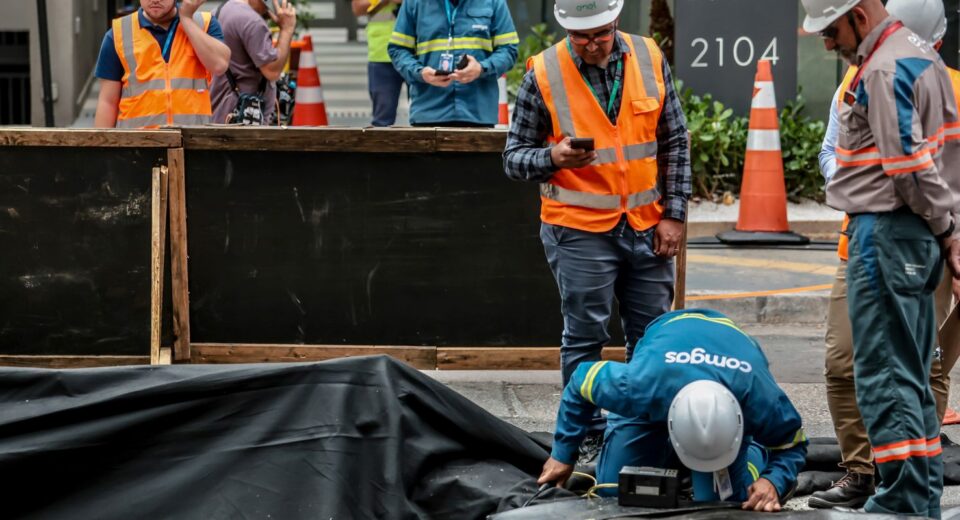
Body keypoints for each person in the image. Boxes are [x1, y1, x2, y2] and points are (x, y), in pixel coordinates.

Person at [502, 0, 690, 460]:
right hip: (579, 229)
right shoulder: (544, 72)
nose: (590, 45)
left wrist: (675, 214)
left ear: (615, 24)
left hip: (647, 226)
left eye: (600, 35)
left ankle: (645, 430)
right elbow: (513, 157)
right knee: (585, 336)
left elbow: (675, 139)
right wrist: (552, 158)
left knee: (652, 336)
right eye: (581, 37)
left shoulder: (649, 57)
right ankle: (584, 436)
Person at [801, 0, 960, 515]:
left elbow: (909, 167)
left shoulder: (885, 67)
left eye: (830, 30)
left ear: (860, 17)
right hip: (907, 237)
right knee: (910, 376)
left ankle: (901, 502)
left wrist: (947, 230)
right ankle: (916, 497)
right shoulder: (922, 58)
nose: (826, 43)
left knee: (886, 377)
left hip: (888, 234)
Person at [537, 309, 808, 512]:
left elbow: (794, 445)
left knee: (724, 505)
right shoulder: (641, 386)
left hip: (731, 349)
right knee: (614, 493)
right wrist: (563, 454)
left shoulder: (758, 397)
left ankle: (753, 448)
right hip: (665, 349)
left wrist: (773, 480)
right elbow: (580, 381)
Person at [94, 0, 231, 128]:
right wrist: (99, 148)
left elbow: (219, 65)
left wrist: (187, 19)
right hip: (138, 145)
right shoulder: (118, 34)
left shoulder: (204, 23)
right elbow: (108, 102)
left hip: (193, 142)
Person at [387, 0, 519, 127]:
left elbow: (509, 49)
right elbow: (398, 49)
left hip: (478, 113)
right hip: (428, 111)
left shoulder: (493, 1)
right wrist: (420, 73)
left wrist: (481, 68)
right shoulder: (415, 2)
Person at [210, 0, 297, 125]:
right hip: (244, 123)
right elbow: (272, 71)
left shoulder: (218, 11)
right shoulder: (252, 21)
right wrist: (287, 29)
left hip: (220, 113)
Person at [352, 0, 406, 126]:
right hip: (382, 53)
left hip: (417, 53)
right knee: (382, 120)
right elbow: (358, 8)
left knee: (424, 118)